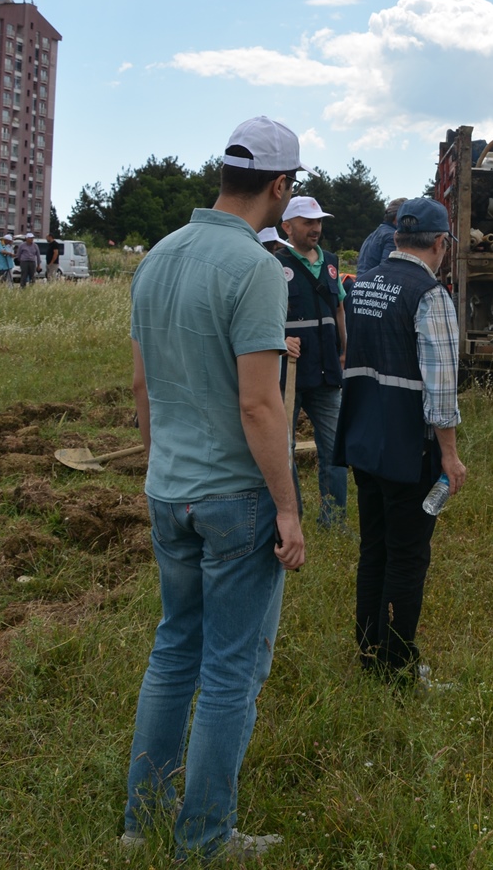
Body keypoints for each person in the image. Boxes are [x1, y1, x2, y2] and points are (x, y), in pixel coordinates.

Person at [121, 116, 308, 861]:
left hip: (170, 489)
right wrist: (288, 507)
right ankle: (203, 837)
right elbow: (260, 403)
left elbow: (140, 385)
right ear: (279, 186)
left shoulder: (160, 256)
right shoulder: (256, 269)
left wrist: (157, 465)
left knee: (173, 653)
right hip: (235, 498)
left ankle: (143, 824)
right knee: (230, 670)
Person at [335, 198, 466, 686]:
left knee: (374, 548)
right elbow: (441, 385)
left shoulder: (361, 284)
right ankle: (399, 667)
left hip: (362, 438)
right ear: (440, 243)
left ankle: (369, 649)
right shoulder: (430, 295)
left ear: (394, 239)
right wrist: (449, 455)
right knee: (409, 555)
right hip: (409, 446)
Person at [274, 196, 349, 528]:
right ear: (287, 227)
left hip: (328, 372)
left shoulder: (331, 263)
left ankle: (334, 520)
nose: (315, 227)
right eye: (307, 222)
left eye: (318, 221)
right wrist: (279, 340)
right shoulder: (273, 265)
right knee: (283, 449)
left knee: (335, 450)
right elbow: (259, 316)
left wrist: (345, 350)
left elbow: (338, 310)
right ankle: (292, 517)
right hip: (288, 373)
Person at [355, 197, 406, 274]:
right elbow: (387, 270)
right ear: (397, 217)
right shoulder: (392, 236)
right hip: (375, 283)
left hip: (362, 282)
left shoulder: (374, 234)